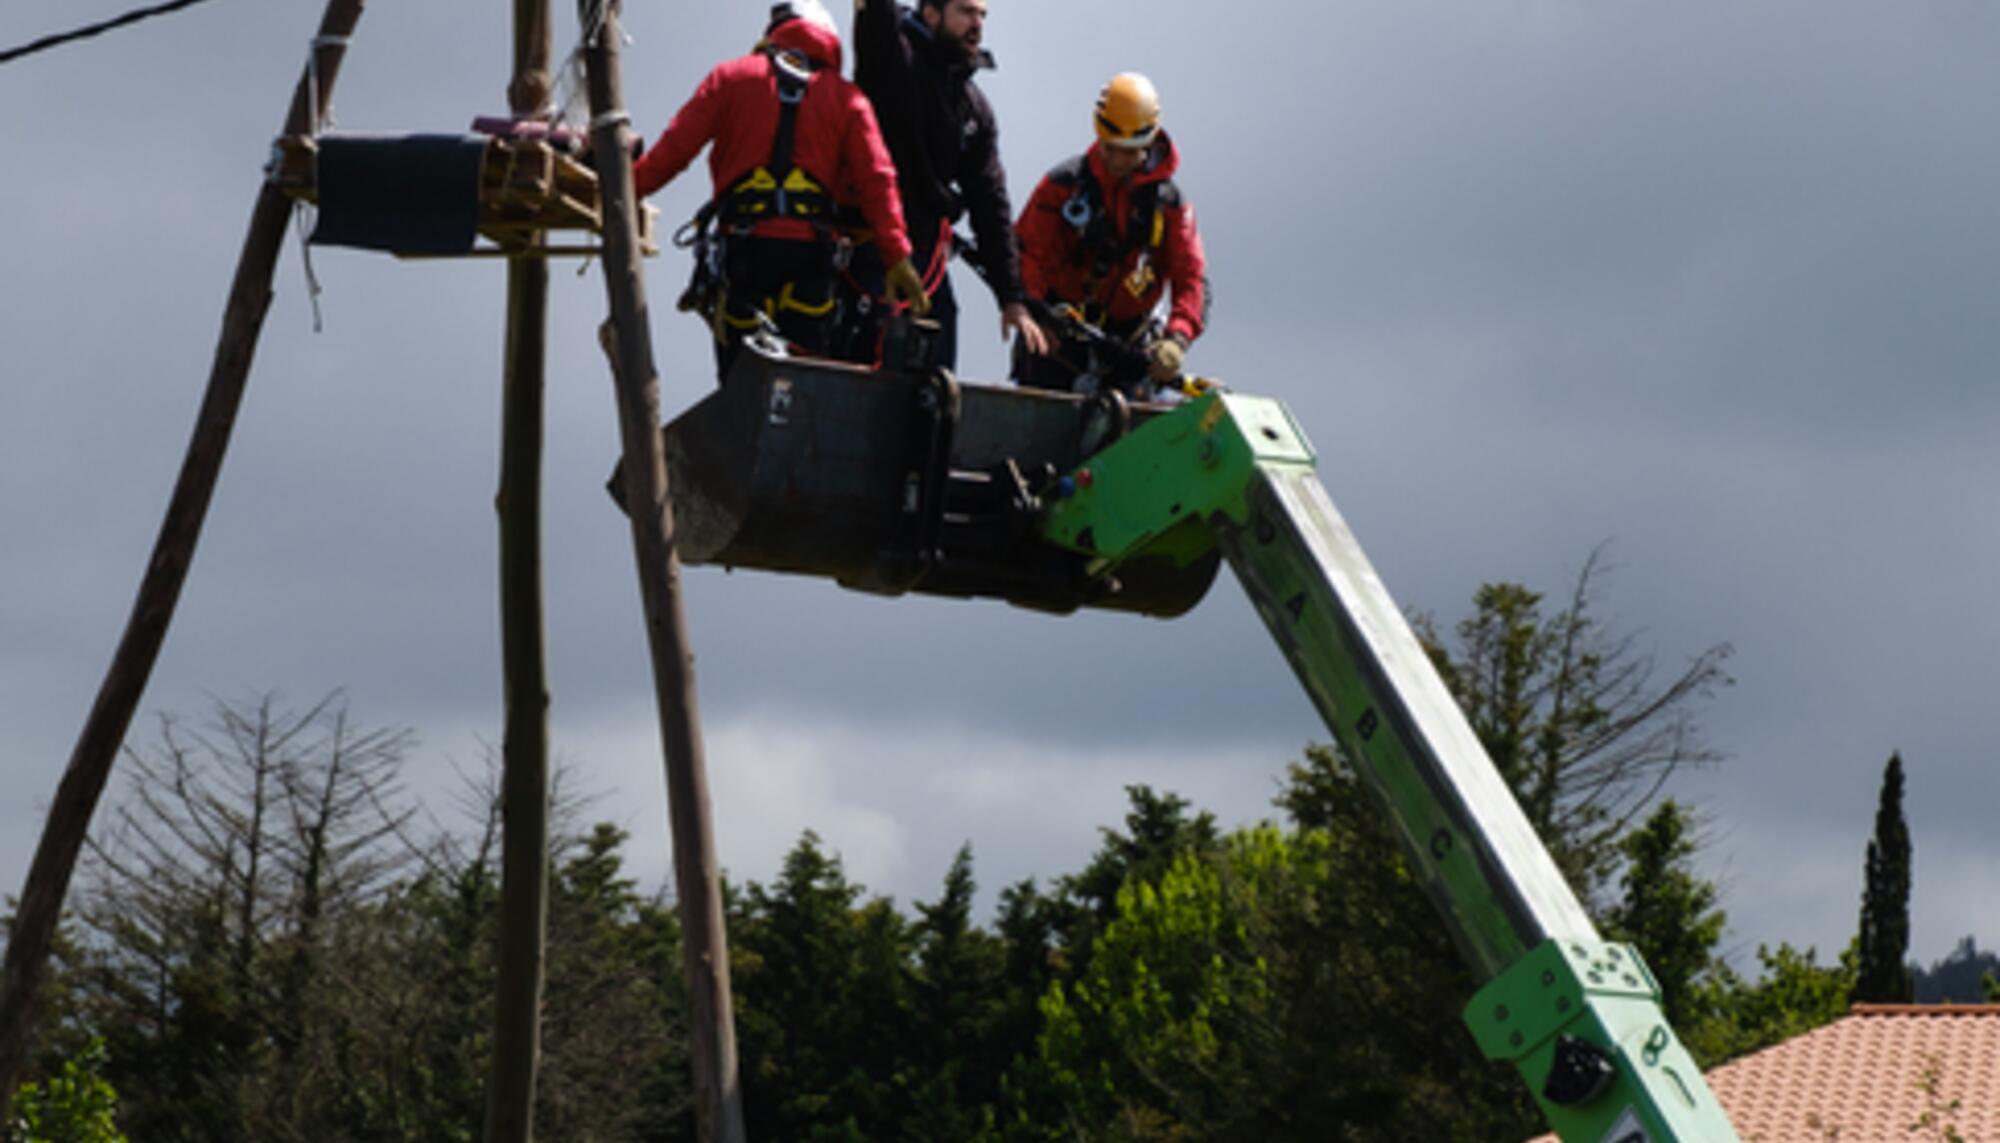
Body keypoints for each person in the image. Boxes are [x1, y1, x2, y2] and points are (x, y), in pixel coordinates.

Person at [632, 0, 928, 381]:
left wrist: (620, 190)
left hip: (744, 253)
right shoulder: (847, 98)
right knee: (803, 388)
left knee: (741, 385)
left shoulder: (730, 78)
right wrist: (897, 257)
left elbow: (671, 154)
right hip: (812, 260)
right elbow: (878, 178)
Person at [849, 0, 1048, 370]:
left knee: (937, 385)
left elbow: (990, 203)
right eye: (966, 12)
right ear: (931, 14)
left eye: (982, 15)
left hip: (926, 262)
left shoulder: (973, 108)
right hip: (867, 255)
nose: (977, 24)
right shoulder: (892, 61)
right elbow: (875, 18)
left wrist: (1011, 298)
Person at [1013, 73, 1210, 400]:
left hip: (1129, 349)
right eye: (1111, 149)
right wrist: (1034, 314)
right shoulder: (1063, 186)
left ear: (1148, 143)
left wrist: (1177, 340)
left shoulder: (1169, 205)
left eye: (1130, 152)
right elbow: (1027, 255)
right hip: (1057, 341)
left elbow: (1191, 278)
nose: (1119, 160)